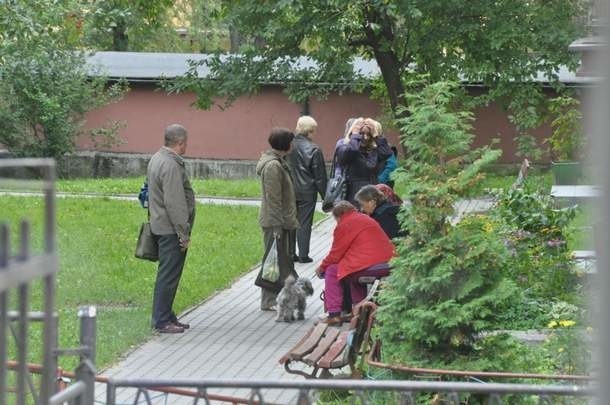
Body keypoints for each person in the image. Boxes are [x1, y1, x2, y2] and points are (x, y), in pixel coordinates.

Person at [147, 124, 196, 333]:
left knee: (168, 274)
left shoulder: (157, 158)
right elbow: (174, 202)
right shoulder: (171, 165)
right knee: (168, 275)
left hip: (160, 224)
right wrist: (183, 233)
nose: (186, 146)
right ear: (180, 142)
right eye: (185, 143)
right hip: (170, 229)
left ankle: (167, 314)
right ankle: (161, 320)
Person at [315, 201, 394, 326]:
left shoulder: (345, 224)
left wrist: (321, 267)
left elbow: (335, 254)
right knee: (350, 272)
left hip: (370, 264)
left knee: (332, 270)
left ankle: (334, 314)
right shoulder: (365, 218)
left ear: (339, 216)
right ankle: (358, 311)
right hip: (388, 261)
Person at [255, 127, 300, 311]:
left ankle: (278, 298)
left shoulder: (279, 162)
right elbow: (274, 199)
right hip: (276, 222)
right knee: (273, 261)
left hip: (283, 220)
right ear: (285, 144)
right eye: (291, 141)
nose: (293, 145)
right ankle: (269, 300)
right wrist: (277, 226)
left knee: (279, 261)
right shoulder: (273, 166)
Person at [287, 116, 328, 263]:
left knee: (291, 222)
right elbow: (320, 176)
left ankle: (290, 253)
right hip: (307, 191)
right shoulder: (314, 149)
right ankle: (303, 254)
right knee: (304, 223)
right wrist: (326, 196)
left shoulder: (288, 146)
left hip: (289, 189)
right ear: (311, 131)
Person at [335, 117, 392, 206]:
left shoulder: (373, 150)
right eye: (361, 134)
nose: (365, 137)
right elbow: (351, 151)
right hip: (353, 193)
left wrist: (376, 135)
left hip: (372, 191)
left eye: (368, 134)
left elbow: (387, 153)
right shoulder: (345, 146)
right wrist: (355, 135)